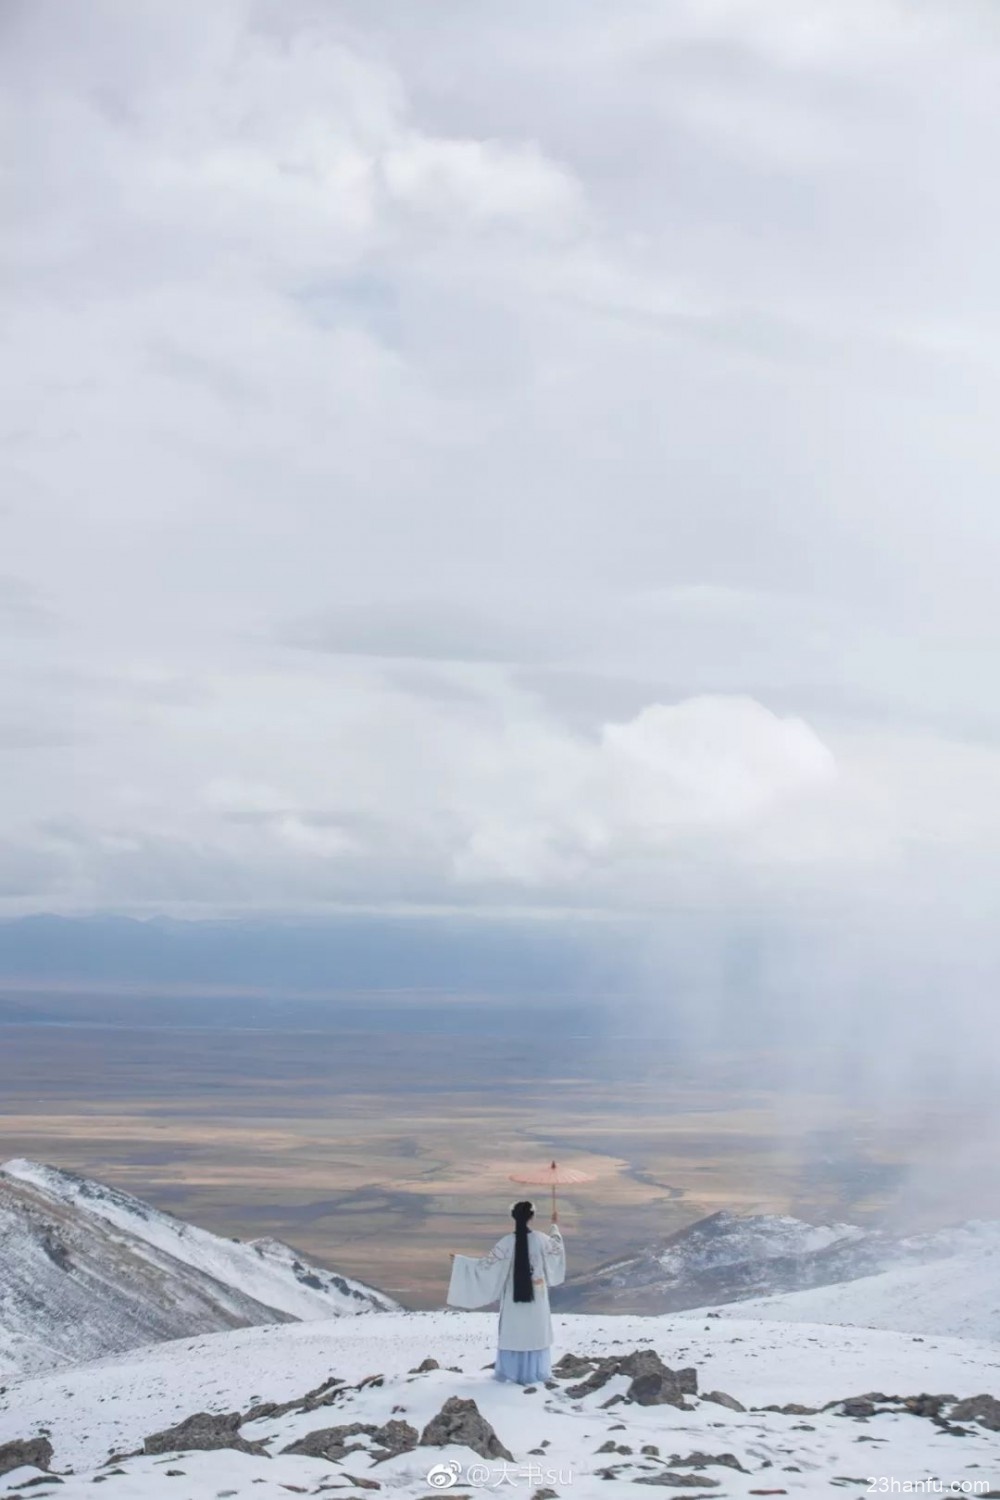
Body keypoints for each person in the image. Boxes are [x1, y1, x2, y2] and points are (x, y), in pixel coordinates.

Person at [447, 1199, 566, 1384]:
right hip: (538, 1297)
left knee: (515, 1332)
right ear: (532, 1217)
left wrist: (462, 1262)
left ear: (513, 1217)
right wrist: (554, 1227)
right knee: (535, 1333)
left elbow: (485, 1267)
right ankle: (535, 1372)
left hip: (513, 1299)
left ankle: (512, 1373)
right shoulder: (542, 1239)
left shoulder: (506, 1243)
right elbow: (557, 1251)